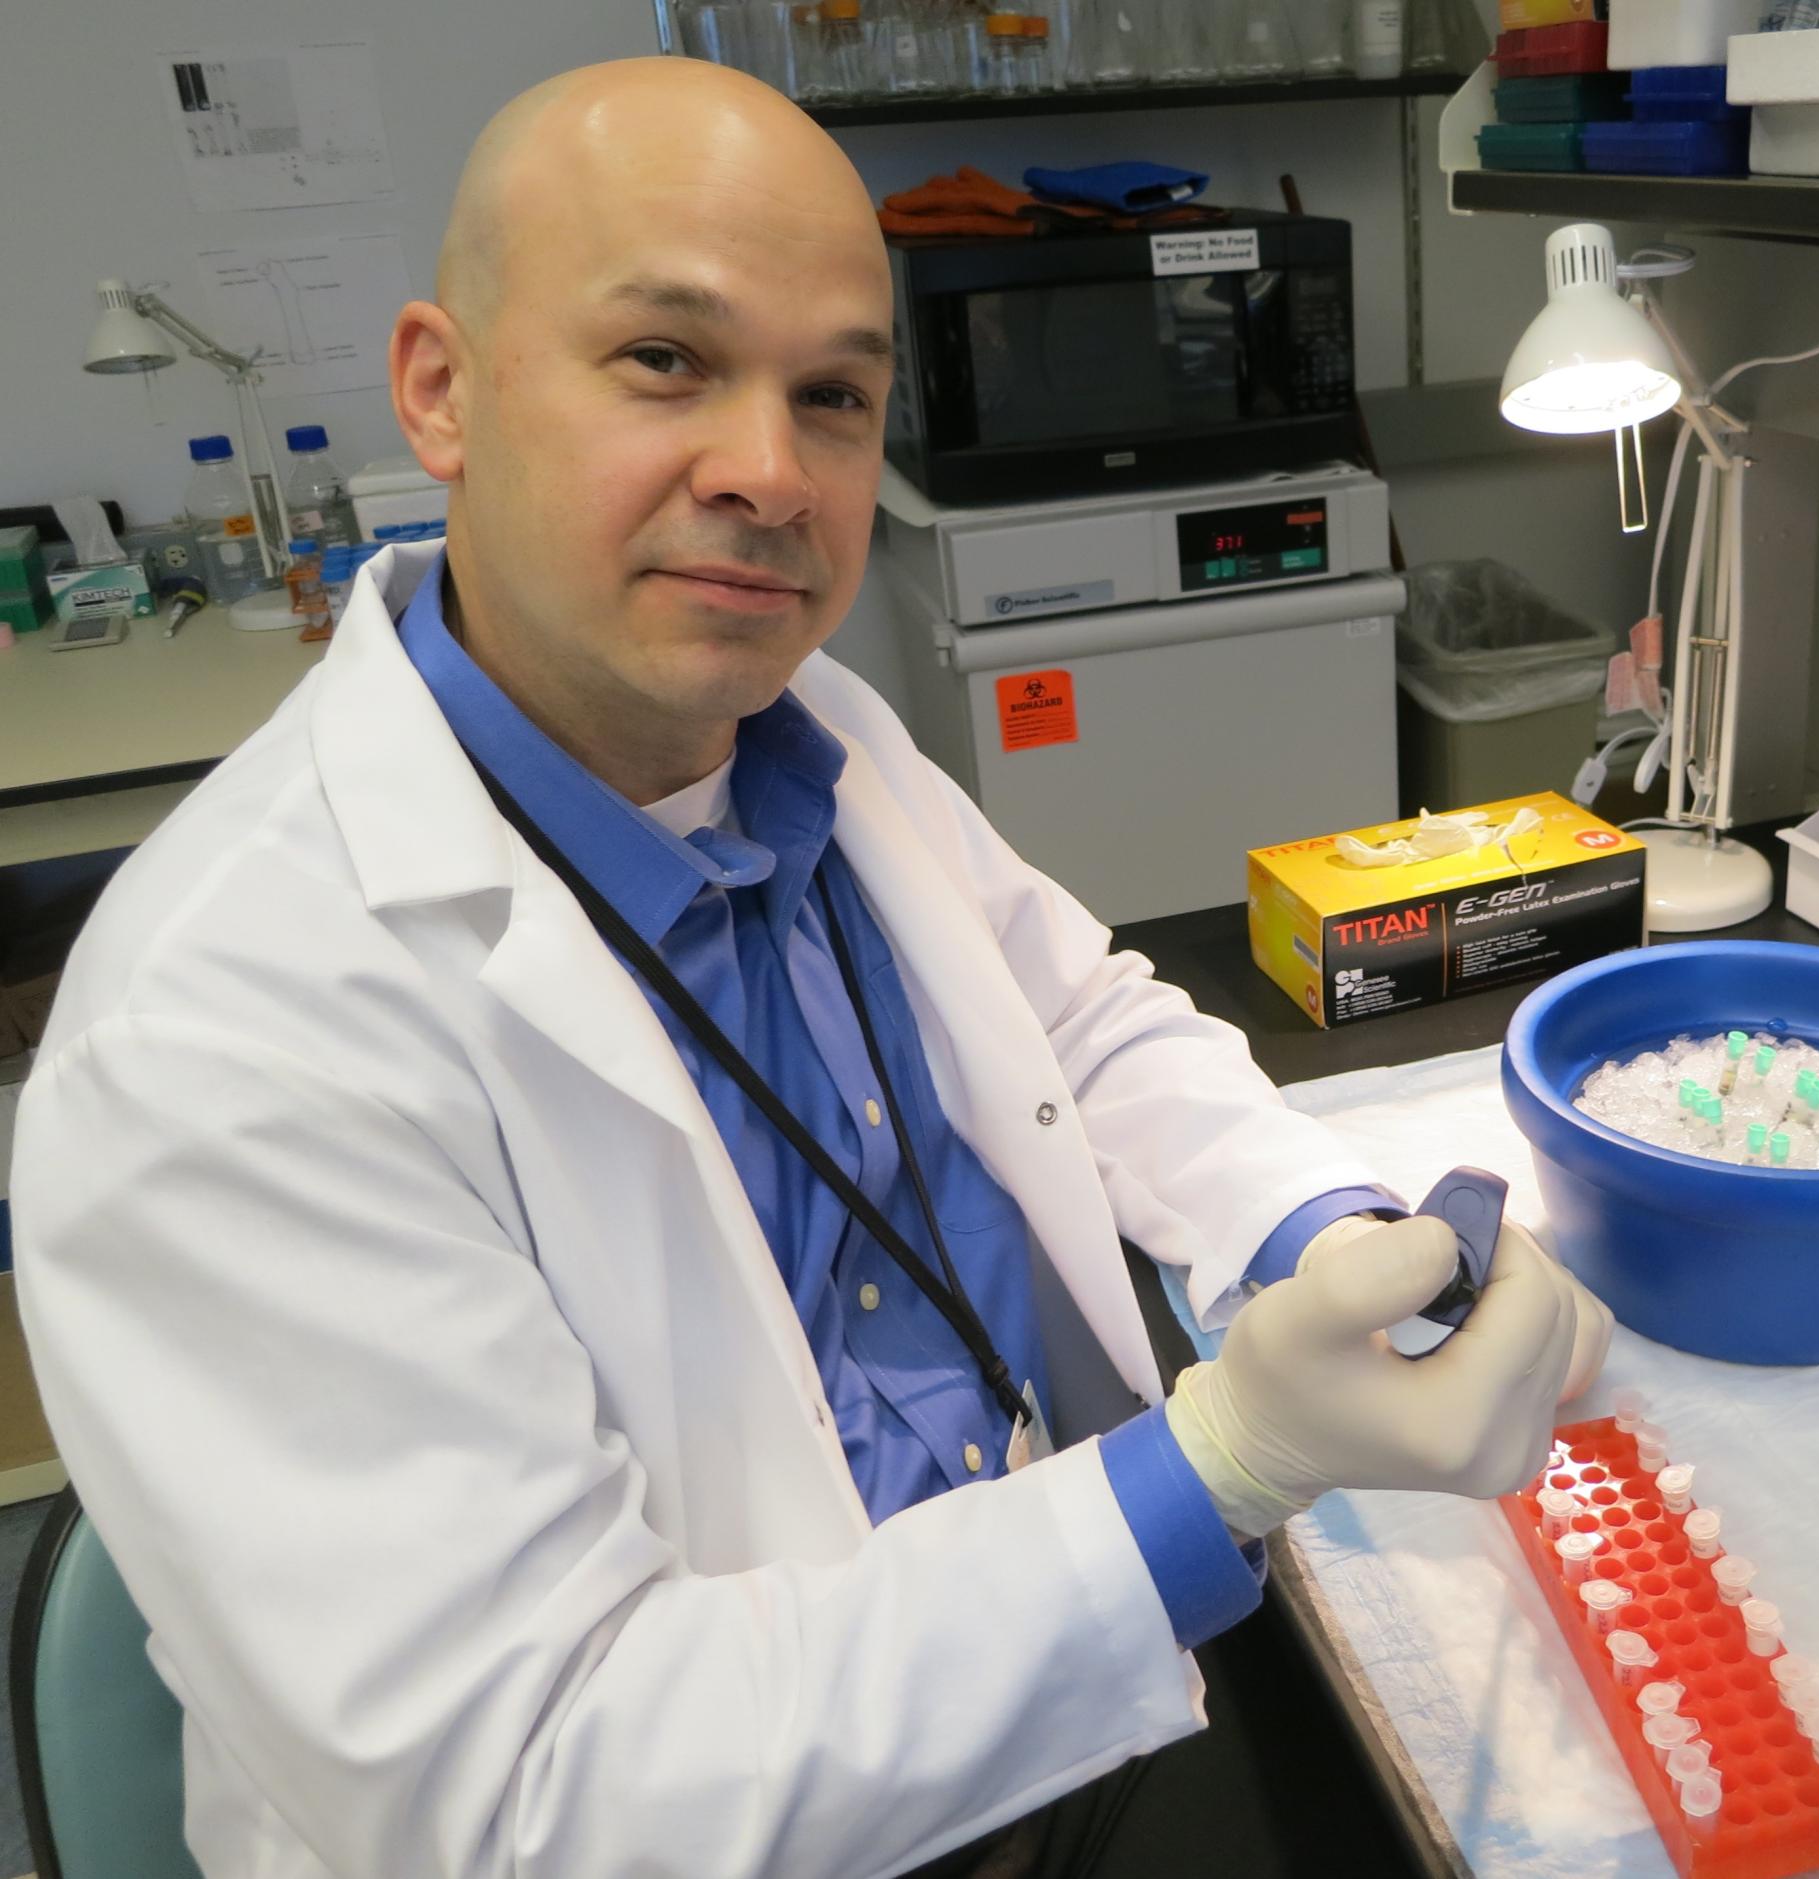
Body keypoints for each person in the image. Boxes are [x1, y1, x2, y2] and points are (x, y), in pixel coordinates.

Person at [12, 57, 1610, 1879]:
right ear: (441, 392)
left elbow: (1074, 1021)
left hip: (1060, 1668)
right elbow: (533, 1798)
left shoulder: (813, 730)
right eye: (667, 361)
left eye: (836, 395)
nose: (770, 473)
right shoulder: (217, 1042)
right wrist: (1219, 1467)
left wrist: (1324, 1234)